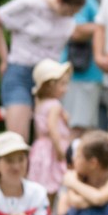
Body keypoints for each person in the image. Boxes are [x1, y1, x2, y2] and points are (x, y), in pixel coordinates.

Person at [0, 0, 85, 140]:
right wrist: (4, 58)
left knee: (49, 138)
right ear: (59, 0)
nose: (70, 16)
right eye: (69, 12)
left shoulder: (68, 19)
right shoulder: (30, 4)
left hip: (49, 79)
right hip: (21, 71)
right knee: (18, 139)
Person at [65, 0, 108, 136]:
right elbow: (75, 30)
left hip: (93, 76)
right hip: (80, 76)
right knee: (77, 128)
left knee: (89, 130)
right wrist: (105, 26)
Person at [27, 60, 73, 199]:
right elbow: (53, 129)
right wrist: (60, 151)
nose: (66, 88)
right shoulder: (55, 105)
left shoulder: (40, 104)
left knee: (42, 186)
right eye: (62, 84)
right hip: (53, 151)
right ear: (50, 86)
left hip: (40, 149)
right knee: (54, 186)